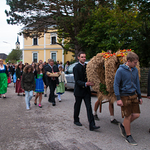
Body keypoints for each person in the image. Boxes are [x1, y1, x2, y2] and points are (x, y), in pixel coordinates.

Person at [114, 52, 142, 146]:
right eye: (134, 62)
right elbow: (116, 84)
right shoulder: (120, 70)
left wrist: (140, 96)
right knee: (128, 116)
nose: (136, 64)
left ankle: (123, 125)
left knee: (137, 114)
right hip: (124, 95)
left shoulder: (135, 70)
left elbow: (137, 83)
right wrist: (118, 98)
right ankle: (128, 136)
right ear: (128, 61)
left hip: (133, 95)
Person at [73, 51, 100, 131]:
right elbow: (77, 81)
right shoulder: (76, 67)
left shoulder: (87, 66)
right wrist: (85, 83)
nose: (84, 58)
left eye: (84, 57)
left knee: (89, 107)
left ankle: (92, 125)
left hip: (86, 91)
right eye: (82, 57)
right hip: (79, 91)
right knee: (77, 106)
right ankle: (76, 120)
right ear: (78, 58)